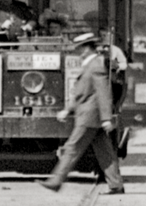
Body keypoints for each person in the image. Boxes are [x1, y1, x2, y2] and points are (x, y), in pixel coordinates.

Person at [37, 32, 123, 195]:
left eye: (82, 49)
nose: (80, 52)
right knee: (104, 151)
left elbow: (103, 92)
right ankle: (116, 184)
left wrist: (106, 118)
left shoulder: (95, 65)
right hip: (91, 116)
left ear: (88, 49)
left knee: (72, 147)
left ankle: (56, 181)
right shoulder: (90, 65)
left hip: (89, 116)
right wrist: (67, 110)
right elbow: (82, 92)